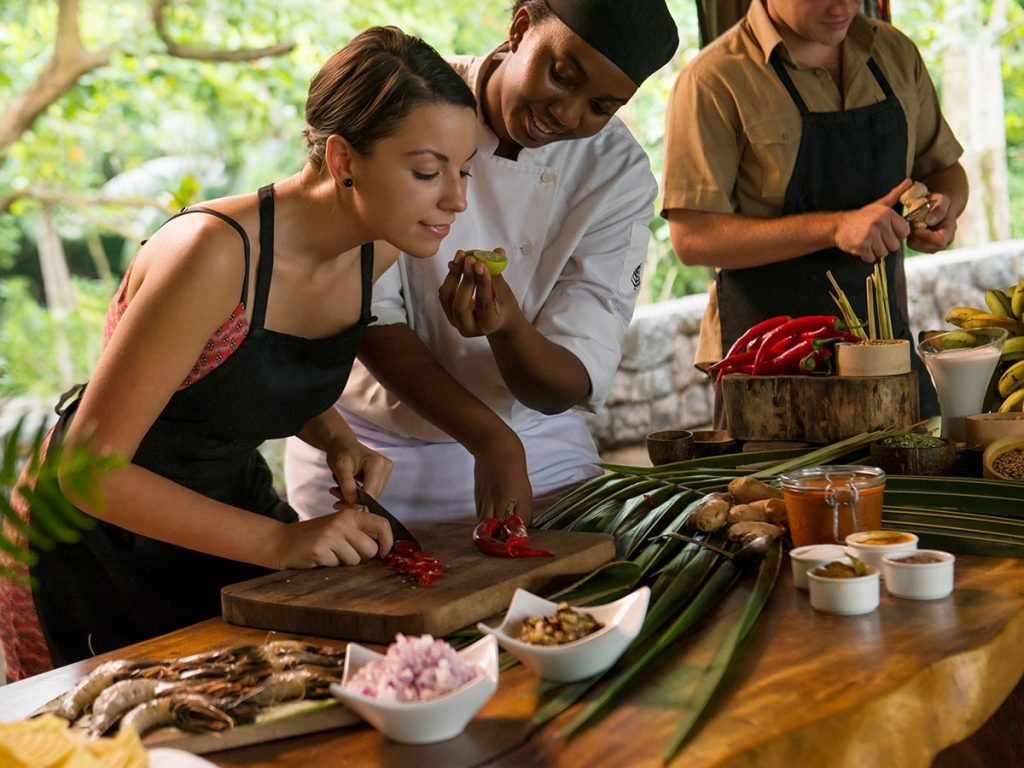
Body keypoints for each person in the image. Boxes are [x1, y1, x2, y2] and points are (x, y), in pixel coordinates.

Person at [0, 26, 477, 680]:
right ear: (342, 161)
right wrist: (280, 541)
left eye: (464, 170)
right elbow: (88, 472)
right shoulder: (215, 255)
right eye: (428, 171)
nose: (456, 199)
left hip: (224, 503)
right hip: (96, 539)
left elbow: (240, 378)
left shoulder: (377, 246)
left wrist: (337, 437)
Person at [284, 0, 679, 527]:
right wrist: (491, 442)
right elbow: (365, 314)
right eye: (561, 76)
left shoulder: (616, 172)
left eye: (600, 107)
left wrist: (509, 328)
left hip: (534, 437)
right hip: (372, 446)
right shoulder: (412, 96)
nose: (567, 112)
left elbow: (573, 371)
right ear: (520, 28)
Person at [661, 0, 967, 421]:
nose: (842, 5)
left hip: (886, 355)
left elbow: (945, 169)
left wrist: (944, 210)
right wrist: (835, 228)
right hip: (772, 367)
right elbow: (693, 238)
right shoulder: (714, 80)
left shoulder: (894, 53)